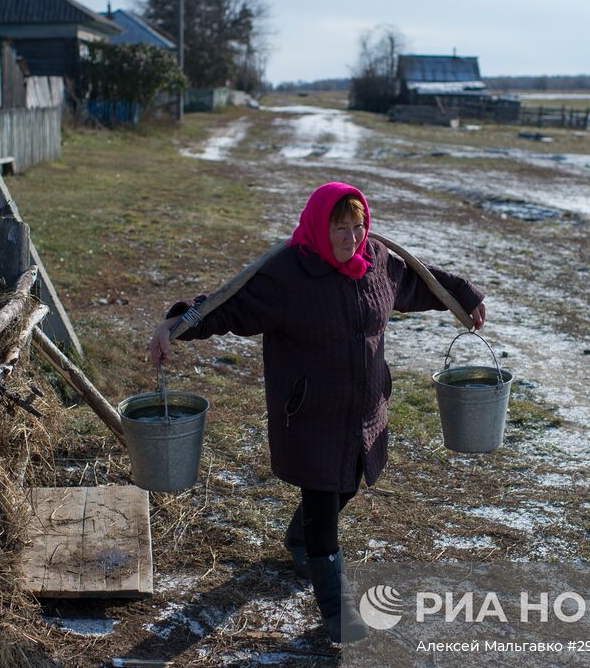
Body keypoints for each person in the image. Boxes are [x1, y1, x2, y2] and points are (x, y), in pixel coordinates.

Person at [148, 181, 486, 643]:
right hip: (311, 413)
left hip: (364, 407)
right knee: (325, 501)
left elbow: (419, 282)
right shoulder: (288, 273)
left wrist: (464, 295)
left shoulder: (377, 264)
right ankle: (338, 615)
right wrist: (179, 323)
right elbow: (231, 306)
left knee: (345, 484)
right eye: (340, 228)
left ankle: (299, 538)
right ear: (317, 227)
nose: (351, 238)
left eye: (358, 226)